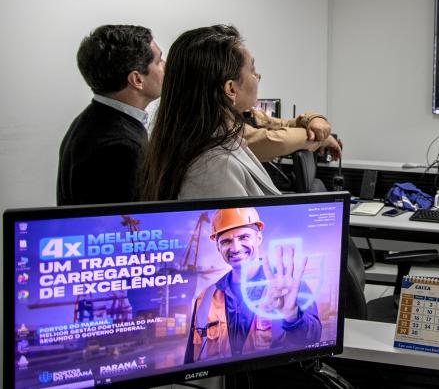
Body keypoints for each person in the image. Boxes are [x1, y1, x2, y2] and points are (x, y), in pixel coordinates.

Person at [141, 24, 281, 200]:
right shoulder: (214, 168)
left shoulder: (210, 145)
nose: (257, 77)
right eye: (252, 70)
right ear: (231, 88)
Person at [185, 207, 322, 363]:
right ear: (218, 247)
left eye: (244, 237)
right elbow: (191, 361)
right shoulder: (205, 298)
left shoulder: (287, 284)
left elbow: (313, 340)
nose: (235, 248)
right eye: (226, 241)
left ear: (258, 238)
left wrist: (292, 316)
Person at [57, 25, 165, 206]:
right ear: (137, 79)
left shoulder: (90, 119)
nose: (165, 65)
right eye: (158, 61)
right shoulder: (121, 147)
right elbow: (123, 227)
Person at [243, 107, 342, 162]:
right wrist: (325, 140)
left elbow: (285, 123)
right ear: (231, 88)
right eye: (253, 73)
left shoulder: (251, 114)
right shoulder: (229, 127)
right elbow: (276, 140)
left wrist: (314, 119)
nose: (258, 77)